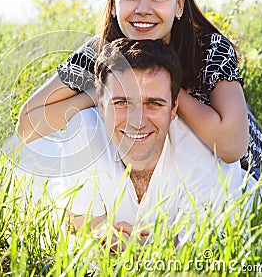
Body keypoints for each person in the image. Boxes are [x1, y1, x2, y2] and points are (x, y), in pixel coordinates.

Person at [17, 0, 262, 179]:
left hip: (238, 179)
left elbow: (232, 147)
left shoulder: (207, 48)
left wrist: (162, 87)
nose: (143, 9)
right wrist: (99, 94)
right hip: (151, 180)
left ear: (178, 5)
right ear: (114, 4)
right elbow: (27, 126)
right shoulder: (97, 52)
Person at [62, 38, 244, 246]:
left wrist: (127, 251)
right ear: (101, 105)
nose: (137, 122)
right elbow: (81, 234)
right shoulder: (84, 133)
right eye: (122, 102)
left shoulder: (205, 157)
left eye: (154, 103)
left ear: (175, 107)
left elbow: (197, 263)